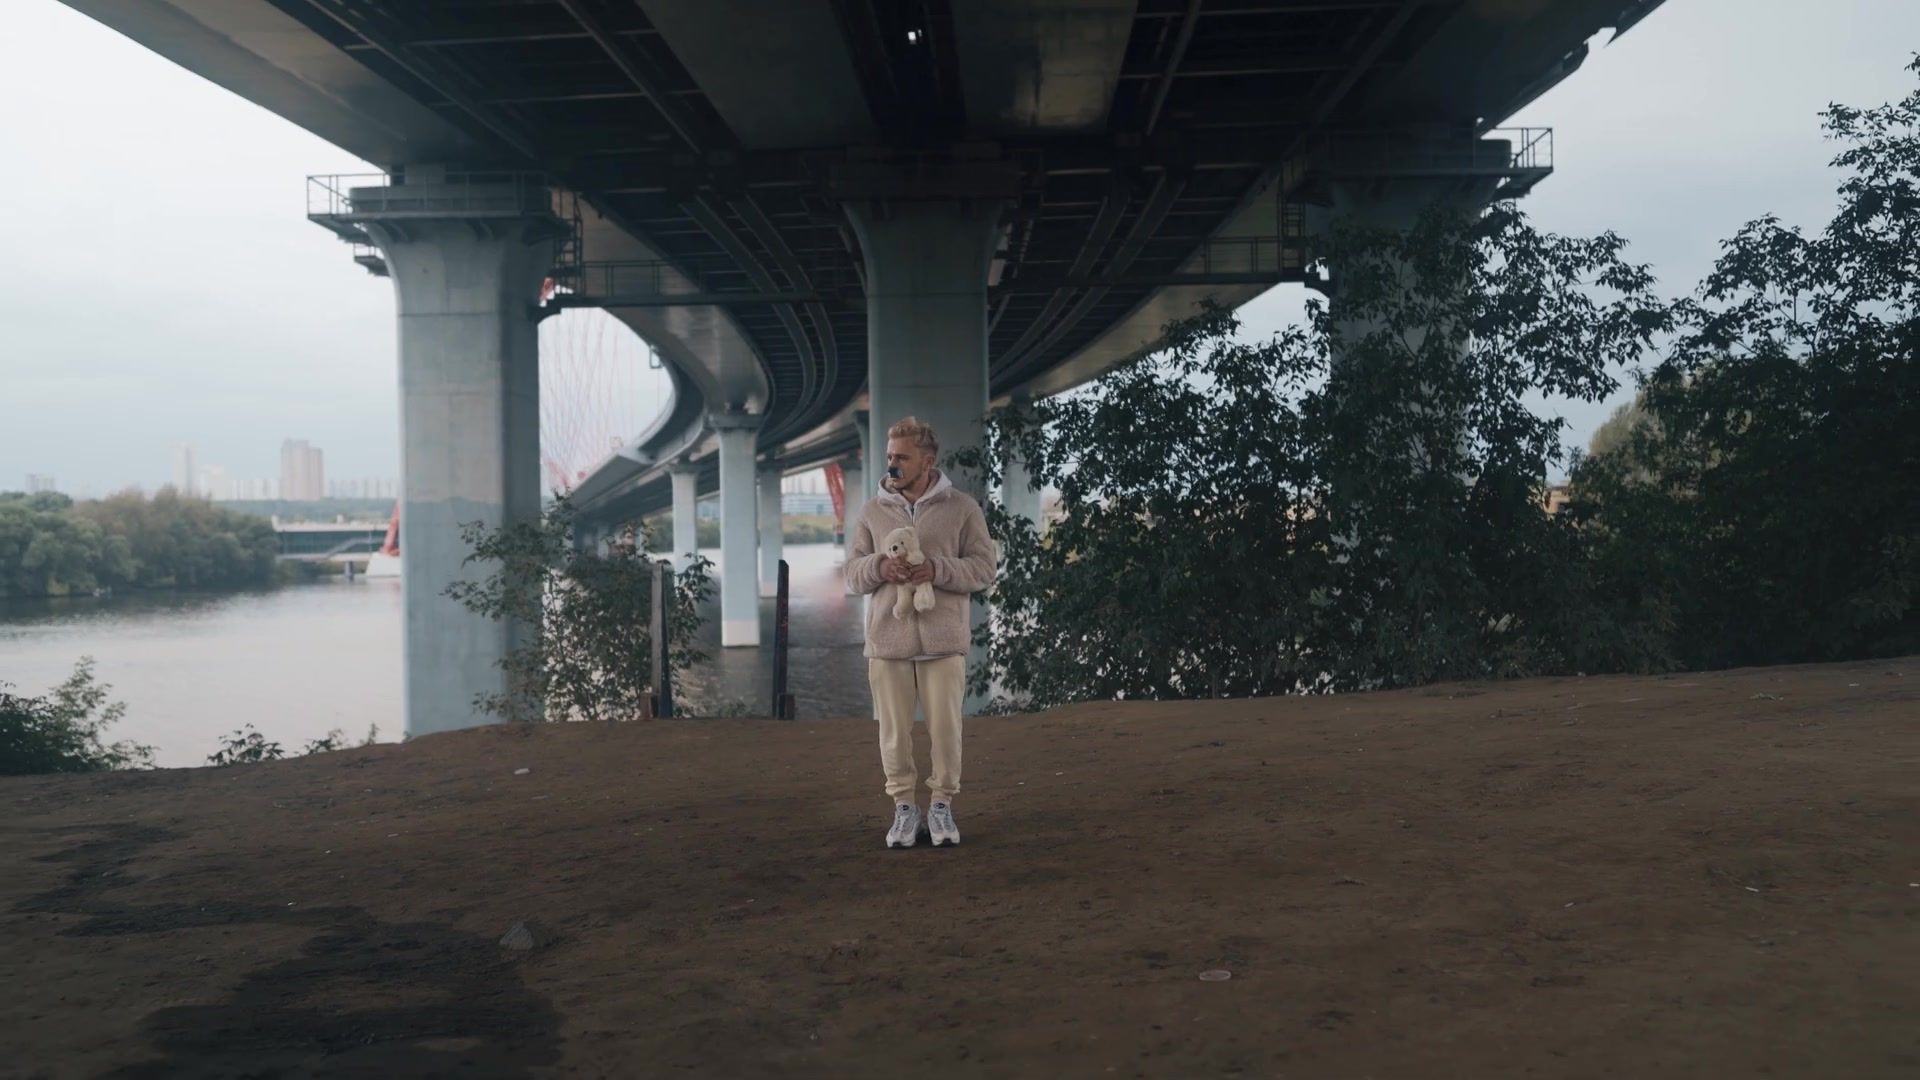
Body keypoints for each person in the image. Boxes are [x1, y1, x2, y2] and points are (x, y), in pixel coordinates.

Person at [845, 416, 997, 848]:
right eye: (889, 455)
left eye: (902, 457)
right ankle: (904, 809)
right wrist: (880, 566)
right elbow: (852, 575)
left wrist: (937, 569)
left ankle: (942, 805)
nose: (891, 464)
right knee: (893, 734)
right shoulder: (871, 512)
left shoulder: (963, 508)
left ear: (928, 462)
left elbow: (985, 569)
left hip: (943, 643)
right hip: (887, 643)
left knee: (946, 732)